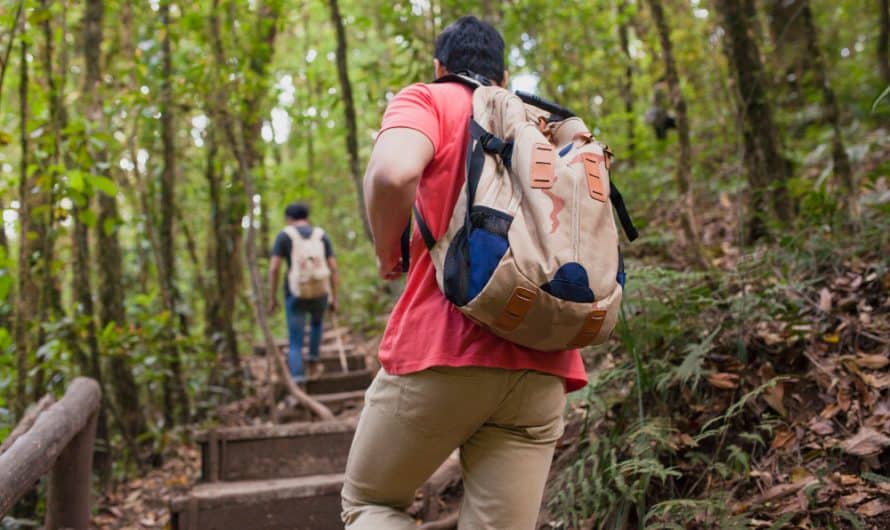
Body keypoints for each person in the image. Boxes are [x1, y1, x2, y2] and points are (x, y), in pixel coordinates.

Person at [341, 16, 588, 529]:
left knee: (371, 504)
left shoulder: (430, 98)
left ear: (439, 67)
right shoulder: (538, 120)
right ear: (502, 75)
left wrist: (389, 252)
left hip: (444, 348)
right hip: (543, 365)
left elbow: (391, 173)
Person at [268, 202, 338, 383]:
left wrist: (272, 297)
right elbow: (333, 268)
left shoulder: (284, 236)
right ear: (307, 217)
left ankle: (298, 379)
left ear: (289, 218)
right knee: (316, 325)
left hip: (295, 292)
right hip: (321, 291)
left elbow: (274, 268)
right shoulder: (321, 235)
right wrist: (335, 297)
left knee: (295, 339)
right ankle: (313, 364)